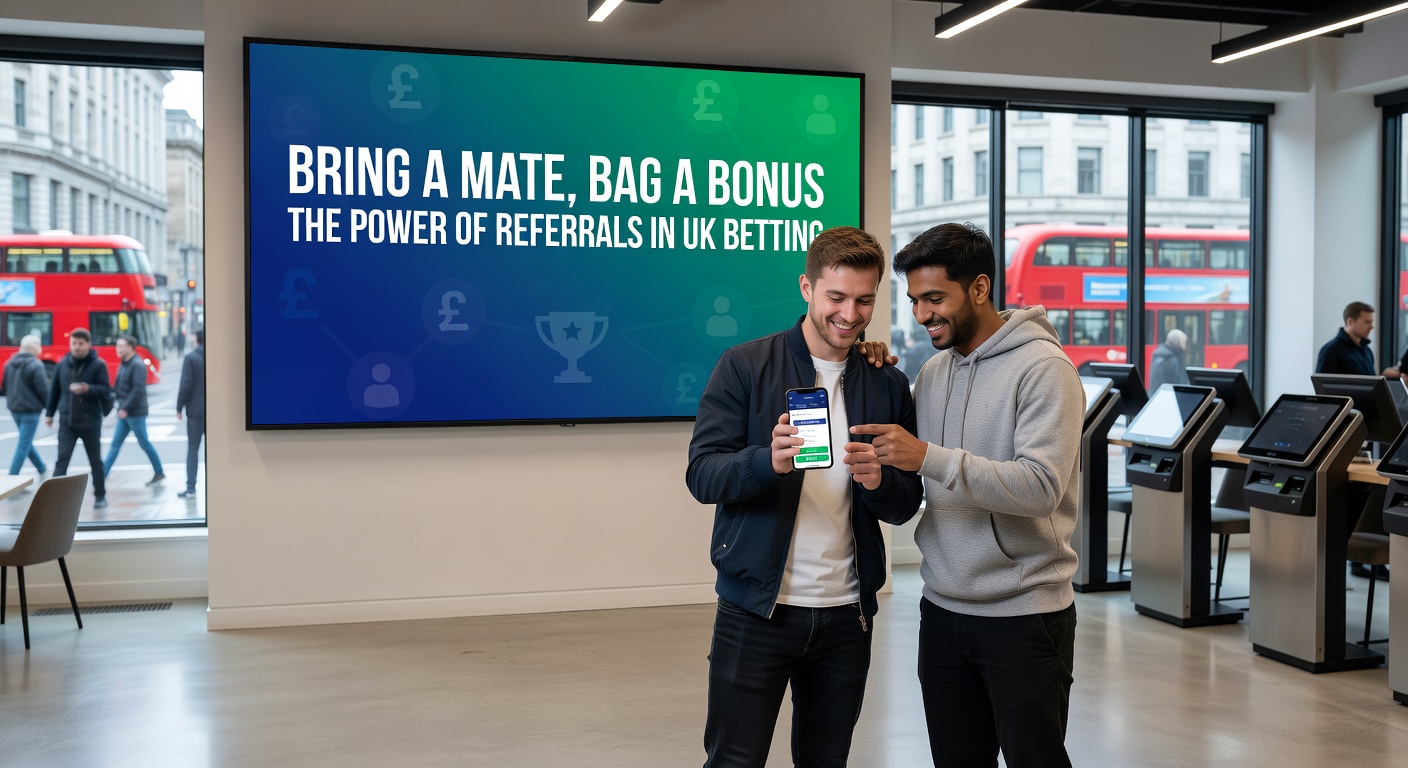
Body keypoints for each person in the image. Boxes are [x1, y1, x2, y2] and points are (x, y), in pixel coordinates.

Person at [686, 226, 923, 767]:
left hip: (847, 616)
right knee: (733, 761)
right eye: (835, 297)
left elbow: (906, 503)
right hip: (756, 611)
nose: (849, 313)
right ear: (806, 289)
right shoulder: (745, 366)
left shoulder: (886, 381)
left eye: (864, 300)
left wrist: (880, 482)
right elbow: (702, 475)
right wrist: (764, 463)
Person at [852, 222, 1084, 768]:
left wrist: (928, 458)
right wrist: (874, 363)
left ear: (979, 288)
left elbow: (1041, 488)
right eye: (913, 301)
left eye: (935, 298)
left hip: (1024, 613)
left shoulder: (1045, 370)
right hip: (942, 609)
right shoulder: (933, 373)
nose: (922, 314)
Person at [45, 328, 111, 508]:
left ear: (88, 344)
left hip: (90, 420)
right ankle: (54, 497)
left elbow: (106, 390)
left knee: (95, 460)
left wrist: (88, 389)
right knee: (62, 460)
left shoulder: (98, 364)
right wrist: (49, 413)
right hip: (67, 421)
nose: (77, 347)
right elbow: (55, 391)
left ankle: (100, 495)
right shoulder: (63, 364)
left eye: (81, 344)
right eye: (74, 343)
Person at [102, 335, 165, 485]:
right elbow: (118, 388)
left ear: (131, 347)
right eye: (117, 346)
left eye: (122, 346)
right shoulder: (124, 363)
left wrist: (125, 408)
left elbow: (138, 390)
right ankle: (103, 473)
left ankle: (159, 471)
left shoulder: (137, 364)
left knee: (144, 443)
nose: (118, 349)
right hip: (125, 412)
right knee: (115, 444)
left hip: (136, 413)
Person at [3, 335, 50, 477]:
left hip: (15, 409)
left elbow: (5, 386)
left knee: (25, 441)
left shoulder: (9, 363)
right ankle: (12, 477)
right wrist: (50, 409)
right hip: (31, 410)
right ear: (35, 347)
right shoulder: (36, 365)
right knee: (24, 444)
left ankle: (41, 467)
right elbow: (43, 390)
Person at [176, 328, 205, 499]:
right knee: (215, 449)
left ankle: (191, 488)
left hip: (195, 411)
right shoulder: (214, 355)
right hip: (213, 411)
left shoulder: (191, 358)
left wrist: (179, 407)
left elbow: (186, 384)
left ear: (196, 339)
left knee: (193, 448)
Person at [1316, 301, 1377, 376]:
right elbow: (1323, 386)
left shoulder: (1367, 351)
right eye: (1367, 322)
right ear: (1350, 322)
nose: (1372, 326)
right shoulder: (1332, 350)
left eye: (1372, 322)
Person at [1147, 328, 1190, 392]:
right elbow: (1179, 382)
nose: (1184, 347)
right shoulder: (1172, 360)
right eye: (1183, 343)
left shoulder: (1157, 355)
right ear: (1176, 343)